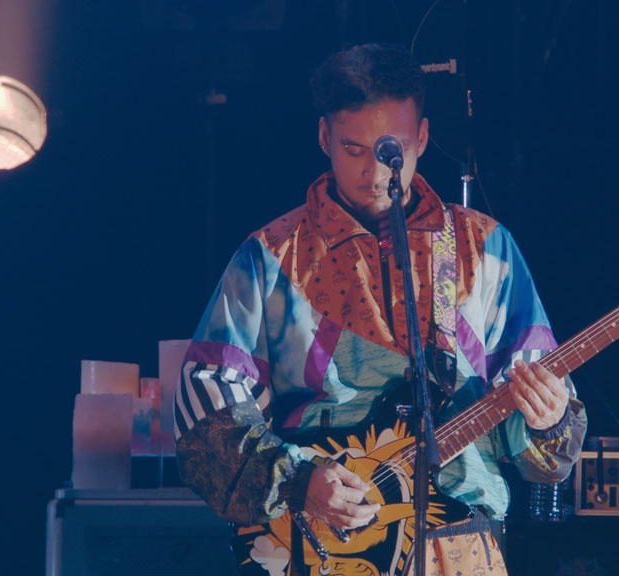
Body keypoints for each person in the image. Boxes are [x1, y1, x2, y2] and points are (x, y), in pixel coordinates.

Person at [175, 43, 587, 576]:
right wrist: (297, 480)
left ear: (422, 137)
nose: (374, 172)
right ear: (324, 137)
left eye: (392, 150)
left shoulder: (485, 249)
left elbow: (542, 456)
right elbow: (205, 408)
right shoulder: (270, 256)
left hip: (460, 543)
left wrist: (549, 420)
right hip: (315, 541)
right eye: (353, 149)